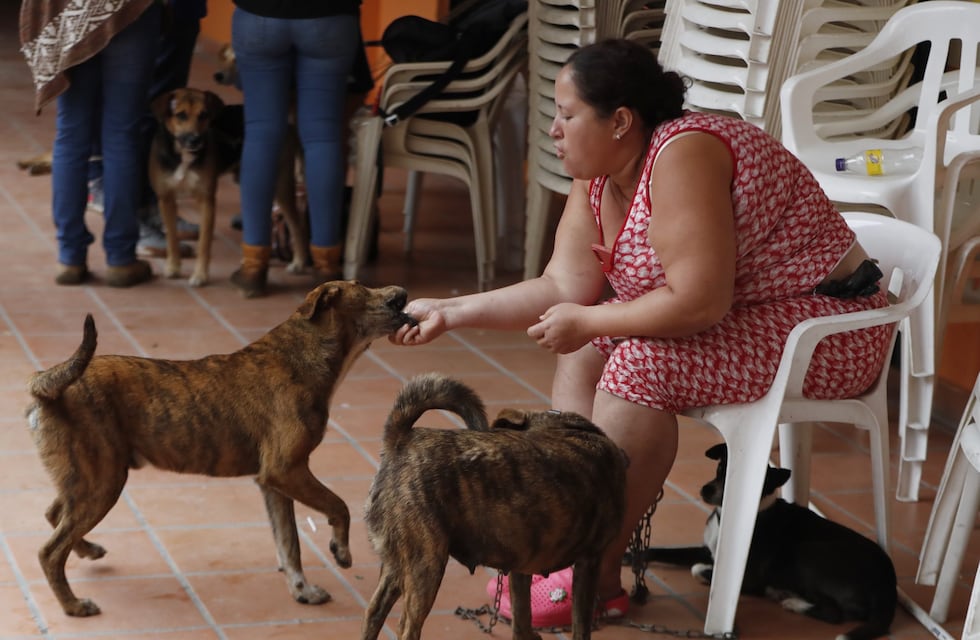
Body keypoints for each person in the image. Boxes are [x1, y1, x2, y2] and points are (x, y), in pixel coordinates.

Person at [389, 38, 894, 627]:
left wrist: (591, 320)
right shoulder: (600, 172)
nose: (552, 128)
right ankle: (575, 534)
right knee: (586, 351)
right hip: (753, 318)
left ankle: (593, 570)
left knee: (637, 364)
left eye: (567, 114)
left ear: (621, 121)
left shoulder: (686, 154)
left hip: (828, 328)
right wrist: (452, 312)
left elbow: (698, 302)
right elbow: (562, 288)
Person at [20, 0, 163, 287]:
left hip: (68, 13)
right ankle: (121, 258)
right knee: (122, 134)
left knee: (71, 135)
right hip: (130, 11)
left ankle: (70, 257)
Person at [229, 0, 362, 298]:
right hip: (329, 20)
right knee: (323, 138)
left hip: (258, 16)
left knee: (261, 134)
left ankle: (253, 265)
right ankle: (326, 263)